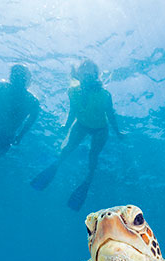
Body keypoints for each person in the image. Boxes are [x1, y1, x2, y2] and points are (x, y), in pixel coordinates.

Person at [30, 59, 123, 210]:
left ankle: (88, 180)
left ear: (96, 75)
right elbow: (73, 110)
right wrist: (66, 126)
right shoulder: (72, 91)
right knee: (66, 150)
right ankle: (55, 166)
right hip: (81, 124)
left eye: (90, 73)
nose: (87, 76)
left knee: (93, 155)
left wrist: (118, 132)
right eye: (83, 72)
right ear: (79, 74)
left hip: (101, 128)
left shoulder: (105, 94)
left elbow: (110, 115)